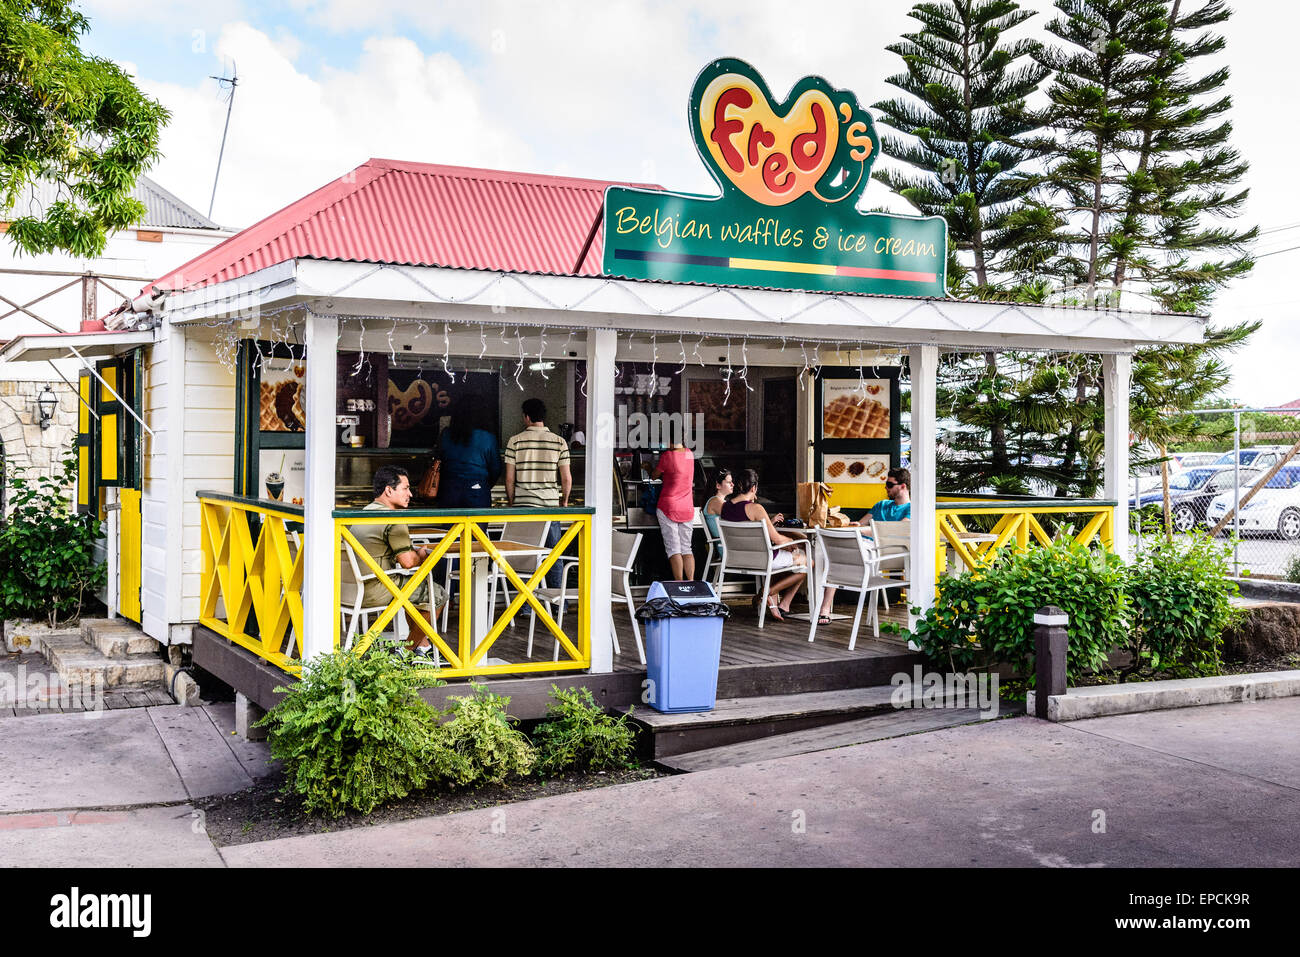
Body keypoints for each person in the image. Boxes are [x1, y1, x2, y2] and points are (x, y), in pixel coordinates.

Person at [342, 466, 447, 661]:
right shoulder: (393, 517)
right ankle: (405, 653)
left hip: (350, 589)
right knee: (437, 594)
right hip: (377, 588)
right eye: (405, 488)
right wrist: (422, 553)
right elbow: (408, 563)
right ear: (389, 490)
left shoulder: (361, 513)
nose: (410, 494)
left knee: (415, 591)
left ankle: (422, 647)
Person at [814, 467, 911, 625]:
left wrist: (861, 529)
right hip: (862, 543)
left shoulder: (910, 509)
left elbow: (894, 532)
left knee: (836, 557)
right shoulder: (881, 505)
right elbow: (861, 523)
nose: (885, 487)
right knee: (832, 556)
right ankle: (824, 608)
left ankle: (825, 606)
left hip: (884, 551)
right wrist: (854, 525)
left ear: (903, 486)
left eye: (889, 484)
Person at [719, 469, 807, 622]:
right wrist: (792, 542)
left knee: (785, 560)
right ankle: (767, 592)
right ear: (754, 488)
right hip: (762, 560)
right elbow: (777, 539)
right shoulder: (755, 509)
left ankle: (780, 603)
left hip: (736, 559)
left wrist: (784, 544)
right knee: (807, 562)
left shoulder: (725, 508)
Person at [503, 398, 571, 586]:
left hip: (523, 507)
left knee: (525, 556)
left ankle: (524, 605)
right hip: (550, 507)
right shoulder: (559, 442)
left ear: (526, 417)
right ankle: (559, 603)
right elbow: (566, 479)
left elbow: (509, 479)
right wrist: (564, 502)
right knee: (554, 554)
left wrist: (512, 501)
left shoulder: (515, 441)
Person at [436, 407, 501, 509]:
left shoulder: (446, 434)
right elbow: (496, 469)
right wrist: (484, 484)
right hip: (478, 491)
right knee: (477, 524)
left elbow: (439, 460)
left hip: (449, 490)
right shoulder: (488, 437)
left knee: (450, 524)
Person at [650, 439, 697, 580]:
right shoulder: (690, 454)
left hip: (668, 507)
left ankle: (679, 584)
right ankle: (690, 583)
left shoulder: (667, 456)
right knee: (687, 548)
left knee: (674, 549)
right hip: (687, 507)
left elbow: (654, 476)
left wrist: (647, 467)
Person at [702, 468, 734, 540]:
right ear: (718, 486)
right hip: (725, 546)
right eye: (729, 482)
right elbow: (736, 516)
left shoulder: (719, 501)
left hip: (729, 544)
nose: (733, 484)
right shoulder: (715, 501)